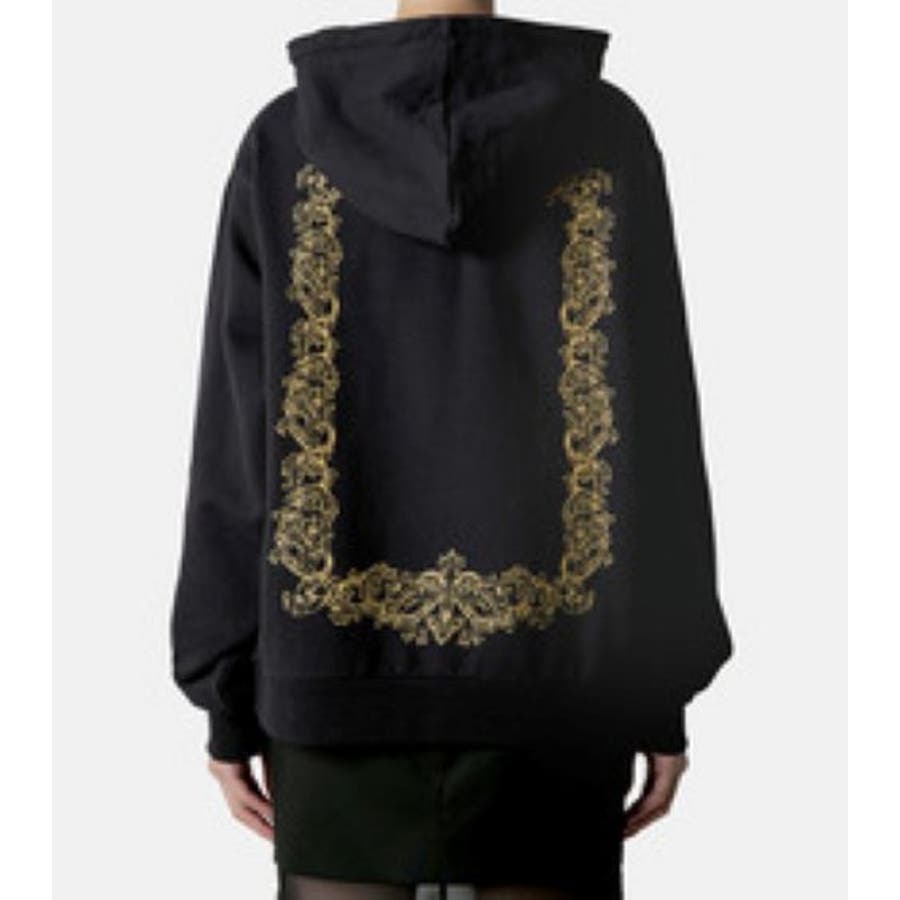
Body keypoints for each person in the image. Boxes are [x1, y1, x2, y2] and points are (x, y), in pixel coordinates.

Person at [170, 1, 733, 897]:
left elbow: (239, 438)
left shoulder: (288, 140)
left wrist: (226, 696)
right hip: (565, 684)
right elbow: (657, 428)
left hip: (334, 683)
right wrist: (662, 690)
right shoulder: (605, 132)